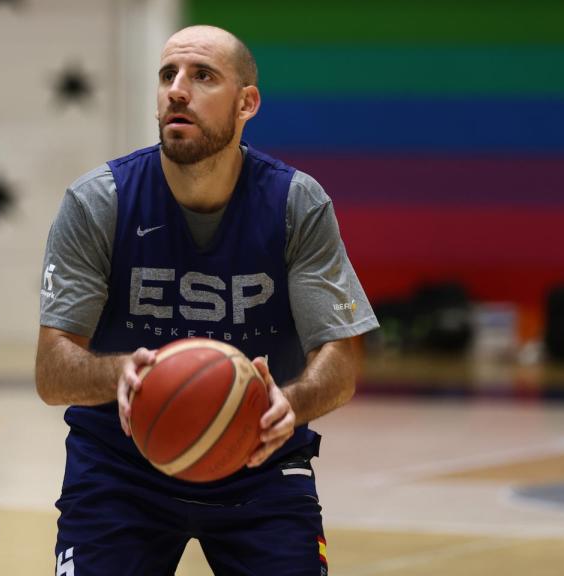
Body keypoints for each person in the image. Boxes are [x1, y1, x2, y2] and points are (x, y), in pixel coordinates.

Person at [36, 24, 379, 576]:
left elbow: (340, 361)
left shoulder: (296, 203)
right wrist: (122, 374)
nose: (177, 90)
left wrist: (291, 403)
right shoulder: (100, 200)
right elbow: (51, 372)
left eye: (202, 76)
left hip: (260, 463)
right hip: (121, 470)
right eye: (167, 75)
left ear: (247, 103)